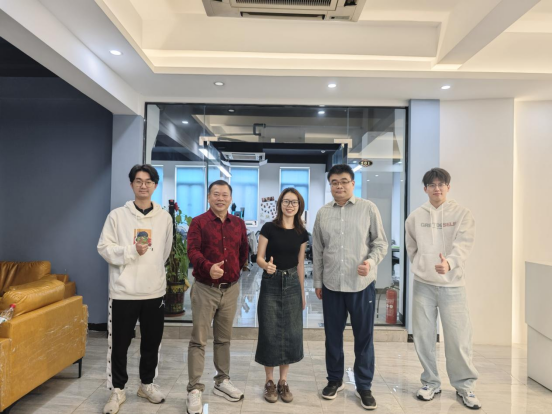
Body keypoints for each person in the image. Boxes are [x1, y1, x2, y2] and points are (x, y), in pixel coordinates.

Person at [97, 164, 173, 414]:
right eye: (138, 181)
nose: (143, 185)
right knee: (119, 344)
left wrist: (151, 269)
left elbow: (164, 252)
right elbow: (104, 248)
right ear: (131, 184)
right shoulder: (117, 216)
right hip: (124, 292)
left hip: (154, 292)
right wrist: (131, 251)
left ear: (155, 185)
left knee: (152, 342)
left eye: (148, 181)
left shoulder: (164, 218)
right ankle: (117, 389)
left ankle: (146, 384)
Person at [313, 164, 388, 411]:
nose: (339, 186)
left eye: (344, 181)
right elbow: (318, 250)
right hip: (332, 285)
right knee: (333, 337)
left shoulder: (368, 208)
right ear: (330, 185)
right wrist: (317, 282)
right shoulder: (323, 213)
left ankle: (364, 386)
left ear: (353, 184)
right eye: (334, 182)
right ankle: (335, 380)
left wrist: (370, 262)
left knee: (364, 338)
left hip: (361, 285)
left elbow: (380, 243)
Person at [405, 168, 481, 410]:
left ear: (448, 187)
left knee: (458, 338)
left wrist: (449, 263)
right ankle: (430, 382)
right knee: (423, 336)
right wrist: (424, 266)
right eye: (432, 185)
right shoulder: (415, 217)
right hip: (423, 285)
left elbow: (464, 244)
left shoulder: (462, 214)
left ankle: (465, 386)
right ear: (425, 189)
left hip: (453, 285)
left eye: (441, 184)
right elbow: (412, 248)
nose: (436, 188)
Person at [185, 180, 249, 414]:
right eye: (216, 194)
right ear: (208, 197)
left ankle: (222, 381)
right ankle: (194, 388)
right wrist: (208, 267)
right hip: (205, 288)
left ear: (230, 198)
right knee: (199, 340)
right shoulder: (198, 222)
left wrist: (234, 273)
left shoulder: (238, 223)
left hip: (230, 290)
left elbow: (244, 251)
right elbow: (192, 251)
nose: (220, 198)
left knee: (224, 339)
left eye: (224, 195)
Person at [255, 188, 309, 404]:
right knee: (269, 331)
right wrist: (266, 266)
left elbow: (300, 264)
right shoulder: (269, 228)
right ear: (280, 204)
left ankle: (283, 381)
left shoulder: (302, 233)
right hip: (271, 281)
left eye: (294, 202)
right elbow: (259, 257)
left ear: (299, 206)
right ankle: (269, 381)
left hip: (293, 283)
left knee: (290, 332)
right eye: (286, 201)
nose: (290, 205)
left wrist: (302, 292)